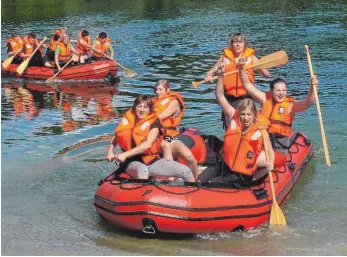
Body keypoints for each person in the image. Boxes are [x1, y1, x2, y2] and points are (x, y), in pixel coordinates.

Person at [199, 74, 274, 184]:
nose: (246, 118)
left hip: (240, 175)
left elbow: (269, 151)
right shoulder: (233, 116)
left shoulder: (261, 130)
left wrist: (271, 163)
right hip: (225, 164)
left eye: (249, 114)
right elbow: (220, 96)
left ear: (254, 115)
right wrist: (220, 77)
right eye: (243, 114)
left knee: (210, 183)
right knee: (200, 179)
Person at [239, 63, 318, 167]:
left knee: (251, 158)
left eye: (284, 90)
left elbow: (308, 102)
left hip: (279, 150)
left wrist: (312, 87)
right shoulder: (264, 99)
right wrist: (240, 68)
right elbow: (247, 85)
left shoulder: (290, 106)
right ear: (271, 91)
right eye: (278, 90)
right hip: (261, 144)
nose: (281, 93)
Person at [107, 95, 195, 182]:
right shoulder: (127, 119)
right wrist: (110, 151)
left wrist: (125, 154)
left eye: (145, 107)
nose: (142, 110)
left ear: (150, 109)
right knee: (143, 170)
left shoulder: (154, 123)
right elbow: (117, 134)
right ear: (134, 107)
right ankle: (140, 193)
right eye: (139, 106)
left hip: (151, 161)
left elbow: (148, 144)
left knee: (186, 171)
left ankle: (193, 191)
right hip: (131, 162)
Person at [205, 32, 270, 129]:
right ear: (231, 44)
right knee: (231, 127)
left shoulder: (251, 58)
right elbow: (211, 72)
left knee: (247, 127)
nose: (238, 44)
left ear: (245, 44)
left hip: (246, 99)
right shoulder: (225, 58)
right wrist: (209, 76)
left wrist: (259, 67)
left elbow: (266, 75)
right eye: (235, 42)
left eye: (240, 42)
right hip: (229, 99)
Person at [153, 80, 199, 179]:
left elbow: (161, 116)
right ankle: (170, 180)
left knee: (189, 157)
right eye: (155, 90)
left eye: (160, 89)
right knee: (167, 148)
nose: (157, 92)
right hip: (156, 137)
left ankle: (195, 180)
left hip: (171, 137)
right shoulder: (152, 103)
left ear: (168, 90)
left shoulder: (174, 102)